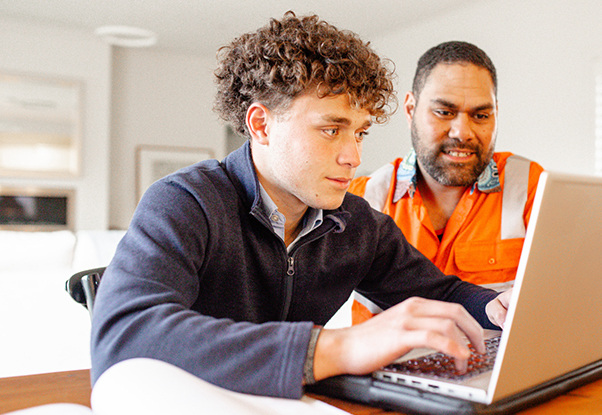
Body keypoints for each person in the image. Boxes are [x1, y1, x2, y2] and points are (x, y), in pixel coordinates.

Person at [90, 13, 511, 400]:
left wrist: (493, 306)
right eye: (331, 129)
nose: (353, 156)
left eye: (360, 133)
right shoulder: (186, 203)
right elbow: (125, 335)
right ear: (261, 124)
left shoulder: (357, 224)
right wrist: (337, 347)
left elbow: (440, 292)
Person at [348, 41, 544, 324]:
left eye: (481, 115)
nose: (462, 132)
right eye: (444, 112)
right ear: (410, 110)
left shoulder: (530, 186)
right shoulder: (363, 198)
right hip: (389, 366)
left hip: (499, 362)